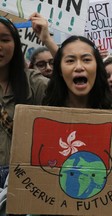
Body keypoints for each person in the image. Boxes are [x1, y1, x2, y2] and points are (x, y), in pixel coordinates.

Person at [0, 15, 48, 214]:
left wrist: (47, 40)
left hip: (27, 179)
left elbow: (70, 90)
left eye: (4, 39)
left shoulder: (34, 83)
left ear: (16, 43)